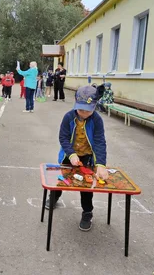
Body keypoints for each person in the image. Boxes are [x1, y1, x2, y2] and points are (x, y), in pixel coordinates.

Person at [45, 85, 107, 231]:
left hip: (87, 157)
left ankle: (87, 212)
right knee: (62, 179)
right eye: (81, 109)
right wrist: (71, 154)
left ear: (94, 106)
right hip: (69, 155)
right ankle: (54, 198)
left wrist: (101, 165)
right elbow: (63, 137)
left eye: (88, 110)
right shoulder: (68, 117)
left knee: (86, 186)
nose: (84, 113)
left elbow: (99, 142)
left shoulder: (97, 120)